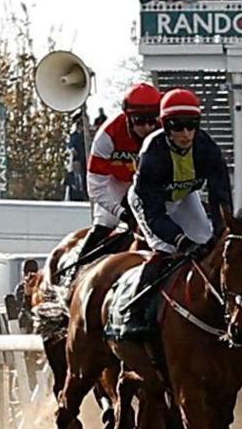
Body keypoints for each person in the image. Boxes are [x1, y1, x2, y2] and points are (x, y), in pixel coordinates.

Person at [105, 88, 222, 343]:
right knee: (166, 250)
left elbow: (220, 199)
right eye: (177, 127)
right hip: (149, 202)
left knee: (209, 242)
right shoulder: (153, 152)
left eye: (191, 126)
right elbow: (155, 214)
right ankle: (134, 314)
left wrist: (221, 233)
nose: (185, 134)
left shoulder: (208, 148)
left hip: (184, 197)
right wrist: (180, 240)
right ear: (165, 126)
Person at [54, 81, 165, 293]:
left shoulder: (164, 131)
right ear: (127, 117)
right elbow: (96, 187)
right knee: (105, 223)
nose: (147, 128)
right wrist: (123, 214)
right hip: (114, 182)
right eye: (140, 121)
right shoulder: (108, 135)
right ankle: (75, 273)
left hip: (147, 182)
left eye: (152, 121)